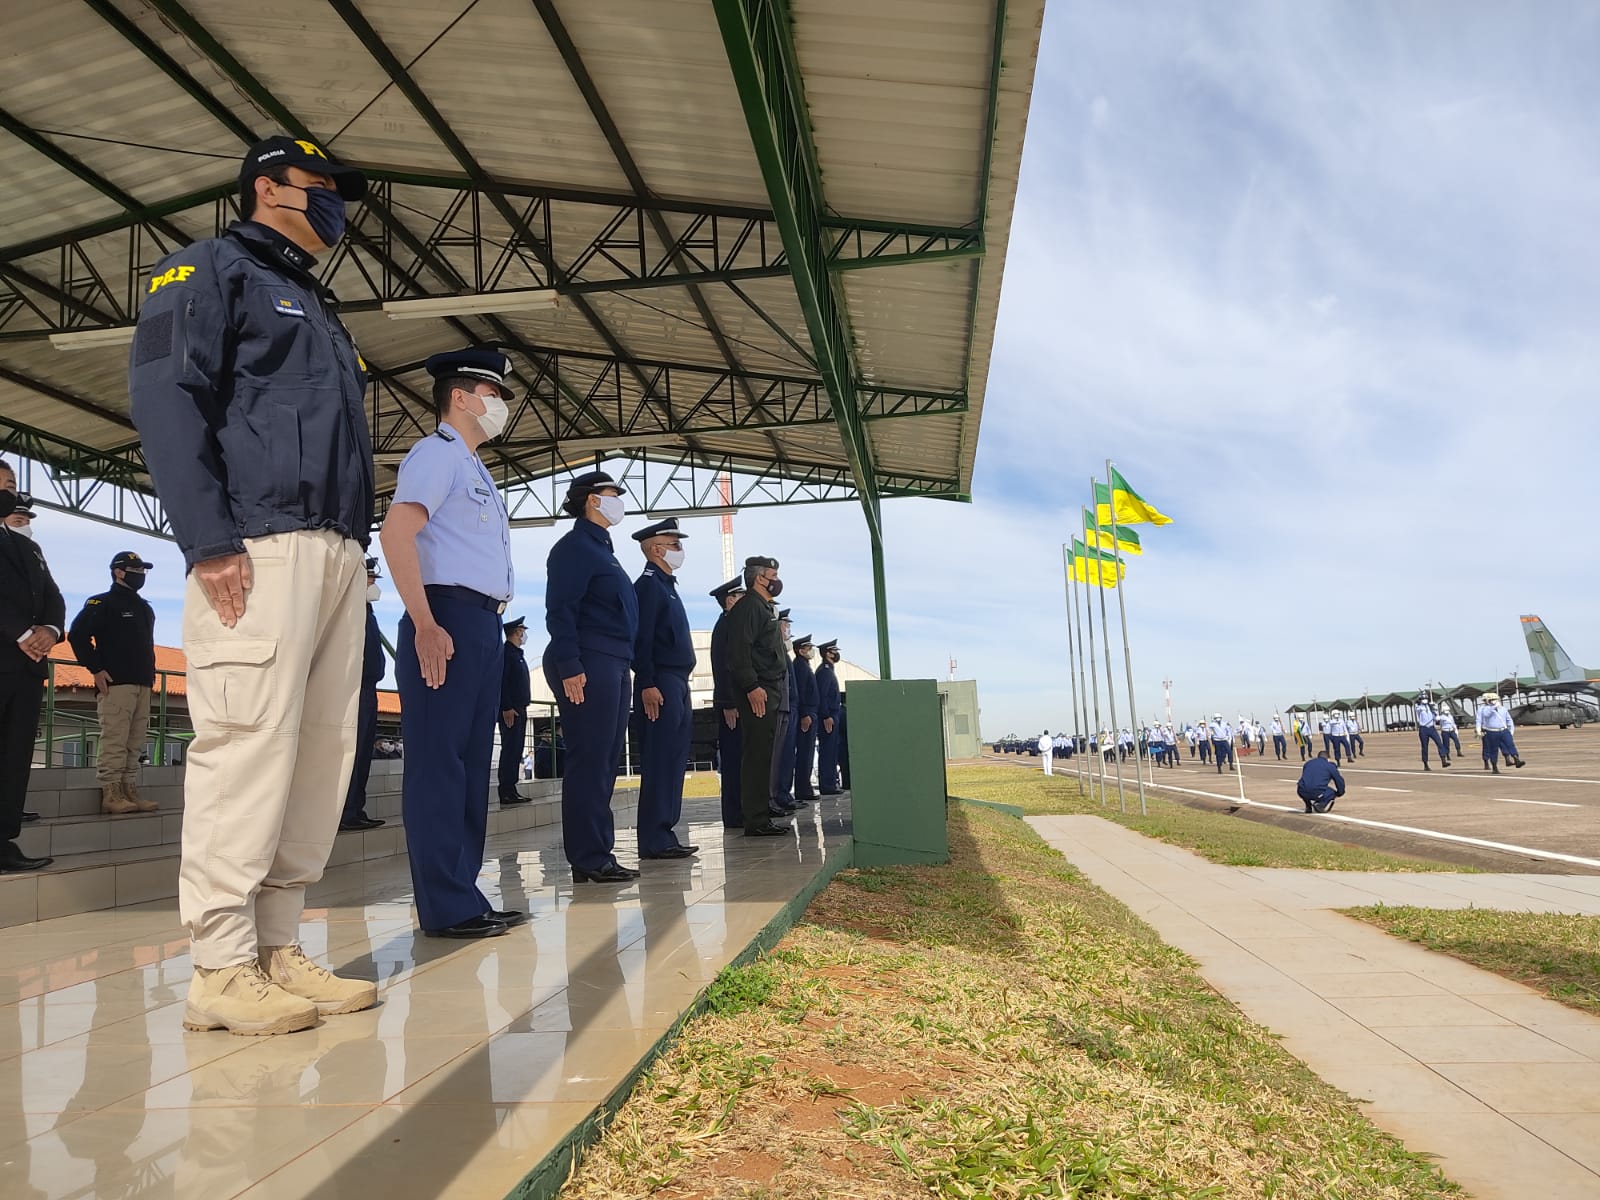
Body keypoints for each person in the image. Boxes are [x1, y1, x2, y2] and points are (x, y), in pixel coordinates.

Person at [128, 136, 377, 1034]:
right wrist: (208, 541)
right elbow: (165, 398)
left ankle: (277, 948)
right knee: (246, 749)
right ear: (268, 188)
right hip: (257, 547)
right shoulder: (202, 271)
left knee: (315, 757)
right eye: (322, 189)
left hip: (337, 550)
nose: (336, 206)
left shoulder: (317, 301)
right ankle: (220, 968)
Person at [383, 349, 525, 937]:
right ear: (461, 398)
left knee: (469, 767)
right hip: (444, 617)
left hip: (481, 624)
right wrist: (424, 623)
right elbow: (397, 535)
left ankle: (462, 893)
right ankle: (444, 905)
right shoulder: (434, 455)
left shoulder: (474, 468)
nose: (500, 407)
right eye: (493, 395)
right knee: (440, 765)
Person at [542, 470, 641, 879]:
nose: (618, 499)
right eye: (611, 493)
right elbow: (560, 607)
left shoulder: (604, 550)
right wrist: (569, 664)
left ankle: (599, 852)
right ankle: (588, 857)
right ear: (591, 501)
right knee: (589, 761)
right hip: (588, 658)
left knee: (604, 762)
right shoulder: (575, 547)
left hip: (614, 661)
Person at [67, 551, 160, 816]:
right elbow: (78, 636)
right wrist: (95, 668)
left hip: (143, 681)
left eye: (143, 571)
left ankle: (129, 788)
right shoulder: (102, 603)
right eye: (135, 570)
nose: (140, 575)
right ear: (119, 572)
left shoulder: (144, 607)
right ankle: (111, 792)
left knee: (136, 740)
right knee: (115, 738)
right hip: (116, 683)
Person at [0, 469, 61, 871]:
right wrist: (22, 632)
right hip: (8, 652)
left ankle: (4, 841)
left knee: (14, 756)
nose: (12, 493)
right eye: (5, 487)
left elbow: (52, 593)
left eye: (11, 487)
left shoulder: (23, 544)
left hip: (26, 666)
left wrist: (50, 631)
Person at [630, 518, 699, 860]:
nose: (679, 550)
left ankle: (666, 833)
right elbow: (641, 639)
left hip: (677, 680)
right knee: (659, 759)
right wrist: (647, 681)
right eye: (674, 544)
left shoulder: (667, 585)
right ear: (656, 549)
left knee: (673, 758)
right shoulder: (648, 586)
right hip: (660, 681)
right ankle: (654, 838)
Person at [725, 557, 791, 836]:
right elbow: (739, 650)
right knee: (757, 755)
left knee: (763, 753)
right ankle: (755, 819)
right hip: (759, 690)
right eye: (772, 575)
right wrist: (752, 686)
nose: (776, 581)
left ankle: (760, 815)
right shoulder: (750, 606)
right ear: (758, 578)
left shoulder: (762, 607)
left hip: (769, 688)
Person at [339, 558, 387, 832]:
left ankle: (357, 807)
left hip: (369, 688)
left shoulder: (367, 611)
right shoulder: (351, 609)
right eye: (370, 580)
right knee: (352, 753)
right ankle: (346, 811)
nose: (373, 585)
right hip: (354, 688)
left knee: (364, 753)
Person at [708, 577, 746, 829]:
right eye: (740, 597)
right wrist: (729, 702)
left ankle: (741, 810)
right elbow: (722, 667)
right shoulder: (725, 626)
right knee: (733, 761)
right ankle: (734, 815)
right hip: (730, 703)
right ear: (730, 600)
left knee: (741, 759)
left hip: (737, 701)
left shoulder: (734, 625)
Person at [497, 616, 532, 806]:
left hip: (520, 707)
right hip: (512, 710)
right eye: (522, 631)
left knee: (516, 749)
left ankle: (511, 789)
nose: (524, 635)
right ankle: (506, 790)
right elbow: (503, 682)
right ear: (517, 632)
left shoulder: (517, 654)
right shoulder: (507, 654)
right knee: (510, 749)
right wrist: (507, 706)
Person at [769, 609, 801, 815]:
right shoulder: (775, 648)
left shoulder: (784, 651)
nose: (788, 630)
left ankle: (782, 794)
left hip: (788, 707)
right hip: (780, 706)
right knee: (776, 757)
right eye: (785, 626)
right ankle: (775, 796)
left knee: (786, 755)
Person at [792, 634, 819, 803]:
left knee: (808, 753)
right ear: (801, 650)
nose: (811, 651)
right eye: (808, 648)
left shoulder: (804, 665)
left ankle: (805, 786)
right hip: (806, 714)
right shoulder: (800, 667)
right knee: (804, 752)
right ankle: (803, 788)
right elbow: (801, 692)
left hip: (810, 713)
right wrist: (805, 714)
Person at [815, 639, 844, 795]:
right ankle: (828, 785)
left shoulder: (829, 670)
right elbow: (823, 695)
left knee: (832, 750)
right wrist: (826, 716)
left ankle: (830, 783)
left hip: (833, 715)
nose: (836, 654)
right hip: (829, 717)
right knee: (828, 751)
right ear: (827, 653)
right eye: (834, 651)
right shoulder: (825, 671)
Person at [1475, 693, 1525, 773]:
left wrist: (1511, 731)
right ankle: (1494, 766)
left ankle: (1516, 759)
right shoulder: (1485, 709)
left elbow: (1509, 720)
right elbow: (1485, 716)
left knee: (1510, 744)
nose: (1494, 701)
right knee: (1493, 749)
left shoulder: (1503, 709)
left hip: (1503, 730)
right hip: (1491, 732)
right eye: (1492, 700)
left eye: (1495, 699)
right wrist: (1478, 730)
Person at [1414, 697, 1450, 771]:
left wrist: (1435, 712)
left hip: (1432, 728)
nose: (1425, 700)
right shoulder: (1419, 708)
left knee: (1439, 743)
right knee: (1425, 747)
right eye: (1423, 699)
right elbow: (1418, 709)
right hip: (1423, 728)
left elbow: (1435, 717)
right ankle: (1425, 764)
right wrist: (1426, 705)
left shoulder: (1430, 708)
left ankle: (1443, 761)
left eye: (1426, 698)